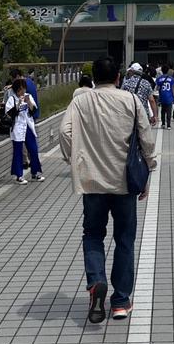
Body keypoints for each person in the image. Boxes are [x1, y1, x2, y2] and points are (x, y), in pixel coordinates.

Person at [59, 56, 157, 323]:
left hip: (92, 182)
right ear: (118, 78)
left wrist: (75, 159)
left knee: (92, 234)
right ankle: (121, 302)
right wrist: (149, 169)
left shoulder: (80, 101)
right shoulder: (130, 100)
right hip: (124, 182)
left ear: (95, 79)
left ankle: (96, 281)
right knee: (124, 239)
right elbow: (146, 138)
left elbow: (65, 132)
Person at [5, 78, 44, 184]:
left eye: (24, 89)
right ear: (16, 90)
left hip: (28, 126)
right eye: (20, 89)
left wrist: (28, 102)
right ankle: (19, 176)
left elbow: (34, 110)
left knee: (33, 149)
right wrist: (18, 104)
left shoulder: (28, 96)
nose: (22, 92)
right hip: (17, 128)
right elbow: (10, 114)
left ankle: (35, 173)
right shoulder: (11, 99)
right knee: (18, 152)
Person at [155, 64, 174, 129]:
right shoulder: (171, 79)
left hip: (162, 96)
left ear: (162, 70)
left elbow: (157, 88)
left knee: (163, 111)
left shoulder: (159, 78)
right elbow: (172, 89)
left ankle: (163, 124)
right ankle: (169, 125)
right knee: (169, 111)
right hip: (169, 97)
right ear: (168, 71)